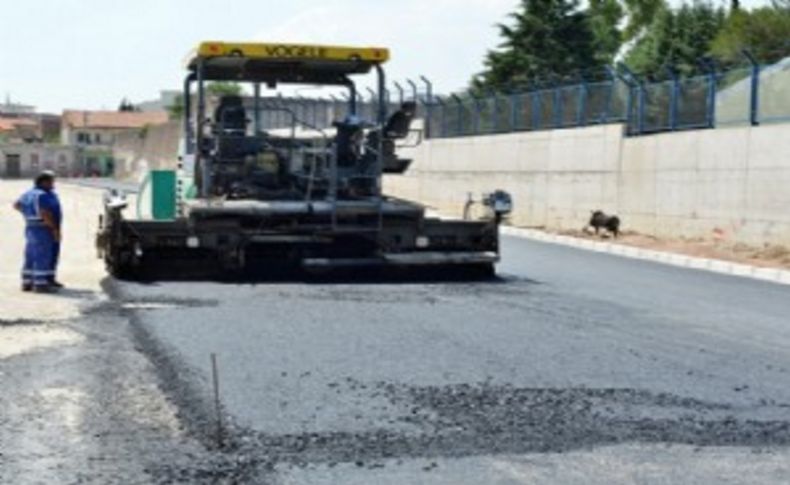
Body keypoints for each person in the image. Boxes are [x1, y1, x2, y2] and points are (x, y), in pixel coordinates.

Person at [13, 171, 63, 293]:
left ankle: (28, 282)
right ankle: (40, 284)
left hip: (31, 227)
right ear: (44, 182)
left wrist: (28, 215)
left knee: (31, 255)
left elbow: (16, 205)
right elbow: (45, 213)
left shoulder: (28, 194)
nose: (53, 184)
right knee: (43, 255)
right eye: (51, 181)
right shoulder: (42, 195)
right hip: (43, 228)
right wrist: (54, 229)